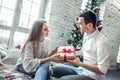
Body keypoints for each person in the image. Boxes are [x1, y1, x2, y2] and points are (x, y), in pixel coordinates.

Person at [53, 11, 110, 80]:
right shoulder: (86, 34)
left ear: (89, 25)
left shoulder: (102, 42)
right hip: (81, 70)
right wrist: (65, 54)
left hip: (92, 76)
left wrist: (79, 63)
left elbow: (102, 70)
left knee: (63, 79)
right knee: (55, 69)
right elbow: (85, 51)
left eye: (80, 24)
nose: (78, 26)